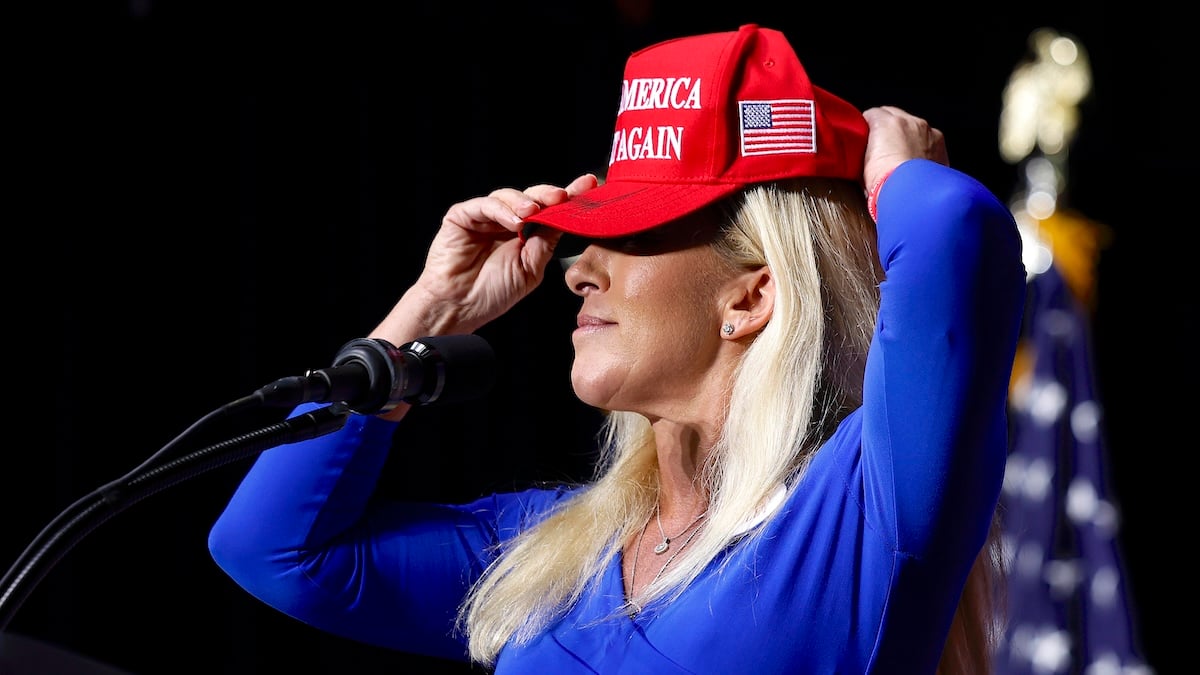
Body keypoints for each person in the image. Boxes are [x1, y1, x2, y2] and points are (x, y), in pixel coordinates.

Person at [208, 23, 1026, 674]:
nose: (578, 269)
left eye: (630, 233)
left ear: (752, 294)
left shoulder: (864, 513)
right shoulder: (556, 551)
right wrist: (429, 311)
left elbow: (957, 230)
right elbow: (271, 548)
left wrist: (893, 173)